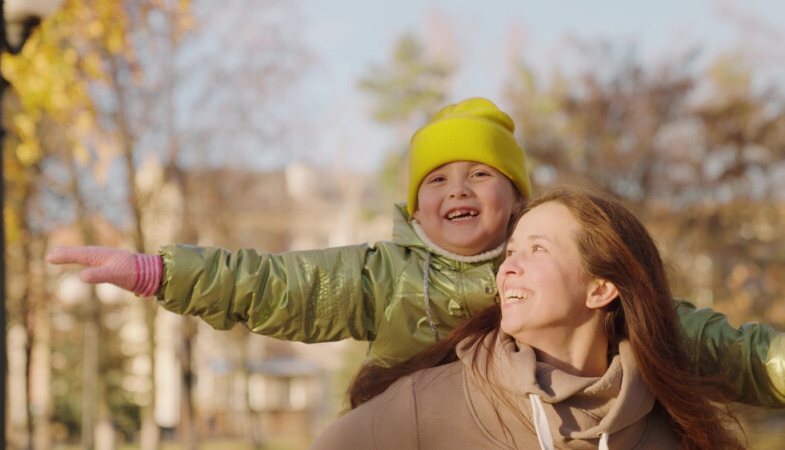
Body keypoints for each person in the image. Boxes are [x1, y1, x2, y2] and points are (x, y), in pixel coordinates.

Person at [46, 97, 784, 406]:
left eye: (479, 175)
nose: (456, 188)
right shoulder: (383, 276)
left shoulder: (558, 270)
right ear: (414, 207)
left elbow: (700, 340)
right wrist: (155, 272)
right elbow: (275, 285)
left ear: (516, 199)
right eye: (436, 178)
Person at [310, 187, 745, 449]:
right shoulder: (427, 405)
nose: (509, 268)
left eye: (537, 249)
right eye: (511, 252)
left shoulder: (671, 428)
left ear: (601, 288)